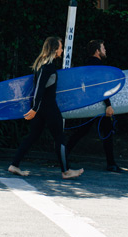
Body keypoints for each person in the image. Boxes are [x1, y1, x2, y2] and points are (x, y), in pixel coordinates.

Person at [8, 36, 84, 180]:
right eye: (61, 47)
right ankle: (66, 171)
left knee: (33, 136)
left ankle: (14, 165)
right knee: (60, 137)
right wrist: (35, 108)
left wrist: (36, 108)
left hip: (42, 108)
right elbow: (39, 88)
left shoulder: (42, 64)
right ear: (55, 49)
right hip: (48, 108)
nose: (62, 50)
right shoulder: (47, 66)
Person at [65, 39, 123, 172]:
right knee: (105, 132)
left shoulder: (87, 64)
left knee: (82, 131)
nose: (105, 50)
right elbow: (101, 86)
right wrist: (108, 104)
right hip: (98, 103)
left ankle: (63, 155)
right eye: (103, 48)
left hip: (89, 102)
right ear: (97, 51)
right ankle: (111, 164)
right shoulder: (97, 65)